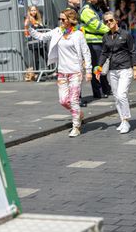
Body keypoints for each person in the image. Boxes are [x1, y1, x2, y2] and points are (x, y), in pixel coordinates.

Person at [26, 9, 92, 137]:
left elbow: (86, 53)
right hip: (62, 72)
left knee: (73, 100)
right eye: (60, 19)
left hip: (75, 72)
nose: (61, 22)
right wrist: (28, 26)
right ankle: (78, 114)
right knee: (63, 101)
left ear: (70, 20)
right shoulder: (58, 31)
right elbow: (41, 36)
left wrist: (88, 71)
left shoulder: (78, 34)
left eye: (63, 19)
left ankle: (76, 126)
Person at [96, 12, 136, 134]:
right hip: (112, 70)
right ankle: (122, 120)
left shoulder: (126, 34)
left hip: (125, 68)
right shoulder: (105, 36)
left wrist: (135, 68)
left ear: (116, 21)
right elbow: (104, 53)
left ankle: (126, 120)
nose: (108, 23)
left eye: (110, 20)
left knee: (121, 95)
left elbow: (133, 51)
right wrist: (98, 67)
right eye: (106, 21)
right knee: (116, 97)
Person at [79, 0, 112, 99]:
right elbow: (96, 25)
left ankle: (105, 88)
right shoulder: (87, 10)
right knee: (96, 68)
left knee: (100, 67)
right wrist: (111, 30)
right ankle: (99, 91)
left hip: (99, 41)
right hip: (93, 43)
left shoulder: (95, 8)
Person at [24, 5, 46, 75]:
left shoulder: (38, 19)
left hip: (40, 41)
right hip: (34, 42)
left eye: (34, 10)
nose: (33, 12)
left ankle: (52, 71)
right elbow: (26, 27)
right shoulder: (29, 19)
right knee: (36, 58)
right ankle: (36, 73)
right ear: (29, 11)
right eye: (32, 10)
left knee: (46, 56)